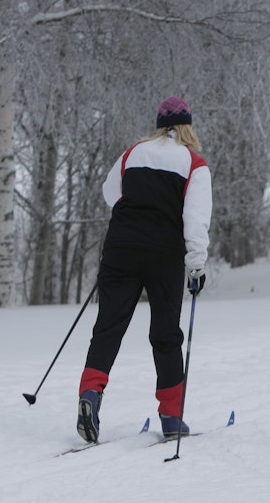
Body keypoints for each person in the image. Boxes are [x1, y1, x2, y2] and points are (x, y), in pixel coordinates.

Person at [76, 96, 213, 443]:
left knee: (107, 327)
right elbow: (195, 219)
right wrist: (196, 264)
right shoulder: (194, 164)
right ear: (187, 126)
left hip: (121, 249)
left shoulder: (132, 154)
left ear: (159, 124)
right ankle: (170, 416)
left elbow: (111, 193)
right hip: (163, 256)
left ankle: (90, 395)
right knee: (166, 335)